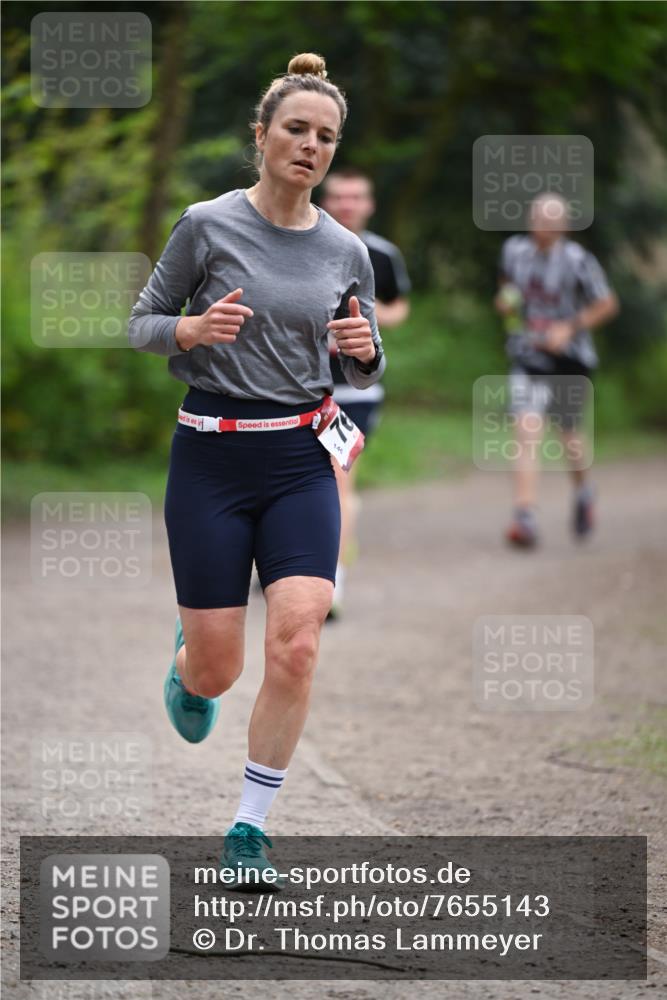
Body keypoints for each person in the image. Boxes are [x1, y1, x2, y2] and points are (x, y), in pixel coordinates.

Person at [128, 52, 385, 884]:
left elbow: (363, 360)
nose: (310, 146)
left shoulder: (347, 248)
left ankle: (249, 828)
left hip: (301, 457)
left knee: (298, 643)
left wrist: (364, 351)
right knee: (219, 665)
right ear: (263, 136)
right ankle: (188, 668)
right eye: (297, 130)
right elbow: (142, 322)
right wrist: (190, 332)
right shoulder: (206, 223)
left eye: (326, 137)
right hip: (209, 456)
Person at [494, 193, 619, 548]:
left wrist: (570, 327)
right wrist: (506, 303)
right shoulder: (514, 251)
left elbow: (607, 304)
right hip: (528, 354)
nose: (543, 227)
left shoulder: (578, 260)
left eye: (551, 221)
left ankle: (584, 491)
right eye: (537, 218)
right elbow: (506, 289)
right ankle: (525, 516)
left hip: (570, 359)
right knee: (526, 428)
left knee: (569, 435)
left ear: (564, 225)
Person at [319, 168, 410, 616]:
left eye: (356, 197)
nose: (347, 205)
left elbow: (399, 308)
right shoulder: (300, 243)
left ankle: (333, 580)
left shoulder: (382, 253)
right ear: (327, 199)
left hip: (353, 393)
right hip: (293, 391)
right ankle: (288, 566)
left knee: (338, 480)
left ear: (369, 204)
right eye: (339, 197)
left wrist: (364, 329)